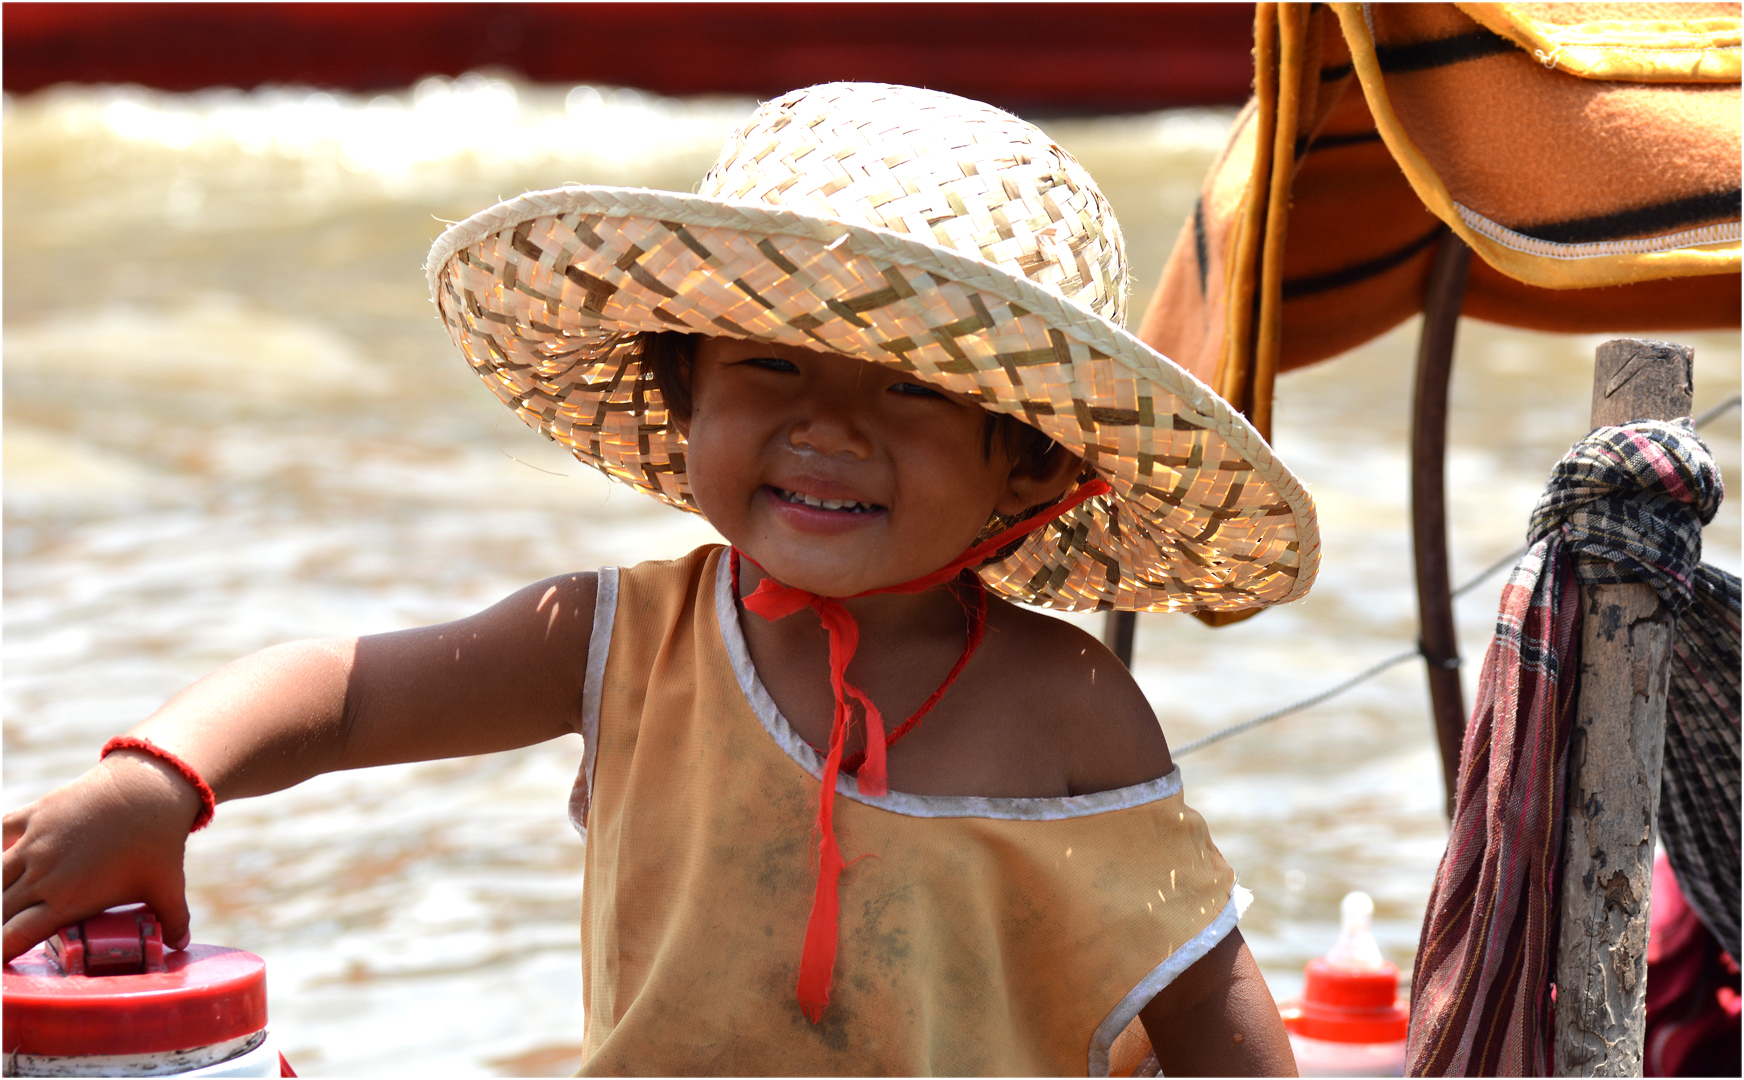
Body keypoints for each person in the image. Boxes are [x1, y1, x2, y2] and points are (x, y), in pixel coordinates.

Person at [3, 82, 1318, 1076]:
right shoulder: (625, 634)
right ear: (681, 385)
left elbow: (1198, 992)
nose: (828, 430)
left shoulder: (1068, 703)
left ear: (1033, 473)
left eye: (910, 393)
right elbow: (342, 694)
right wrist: (160, 780)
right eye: (772, 368)